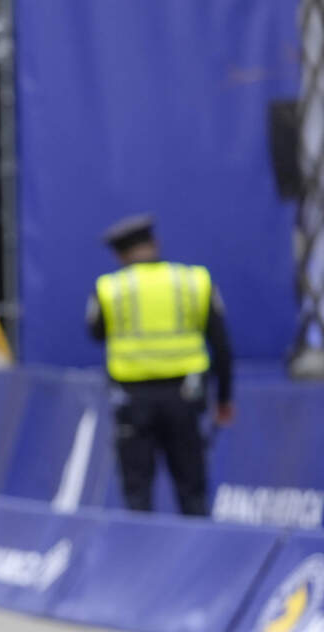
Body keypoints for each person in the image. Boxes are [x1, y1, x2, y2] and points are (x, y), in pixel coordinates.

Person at [86, 213, 234, 516]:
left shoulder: (110, 288)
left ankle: (138, 557)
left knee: (137, 489)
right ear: (155, 243)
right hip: (186, 396)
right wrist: (224, 399)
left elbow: (96, 332)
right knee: (192, 485)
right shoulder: (194, 281)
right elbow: (222, 346)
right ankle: (198, 554)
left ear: (119, 253)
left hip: (132, 400)